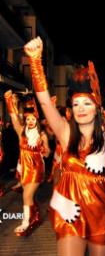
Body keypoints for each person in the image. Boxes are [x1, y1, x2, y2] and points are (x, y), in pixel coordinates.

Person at [24, 36, 105, 256]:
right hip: (69, 209)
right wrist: (35, 61)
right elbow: (44, 102)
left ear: (97, 107)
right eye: (76, 103)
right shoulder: (65, 132)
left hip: (102, 211)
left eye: (87, 103)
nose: (81, 108)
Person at [4, 92, 50, 236]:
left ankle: (25, 222)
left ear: (37, 119)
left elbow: (48, 152)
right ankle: (34, 215)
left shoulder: (42, 135)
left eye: (33, 119)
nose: (30, 121)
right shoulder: (21, 132)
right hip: (24, 167)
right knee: (28, 195)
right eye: (28, 118)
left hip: (36, 167)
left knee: (27, 195)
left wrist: (43, 149)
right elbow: (13, 117)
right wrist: (8, 100)